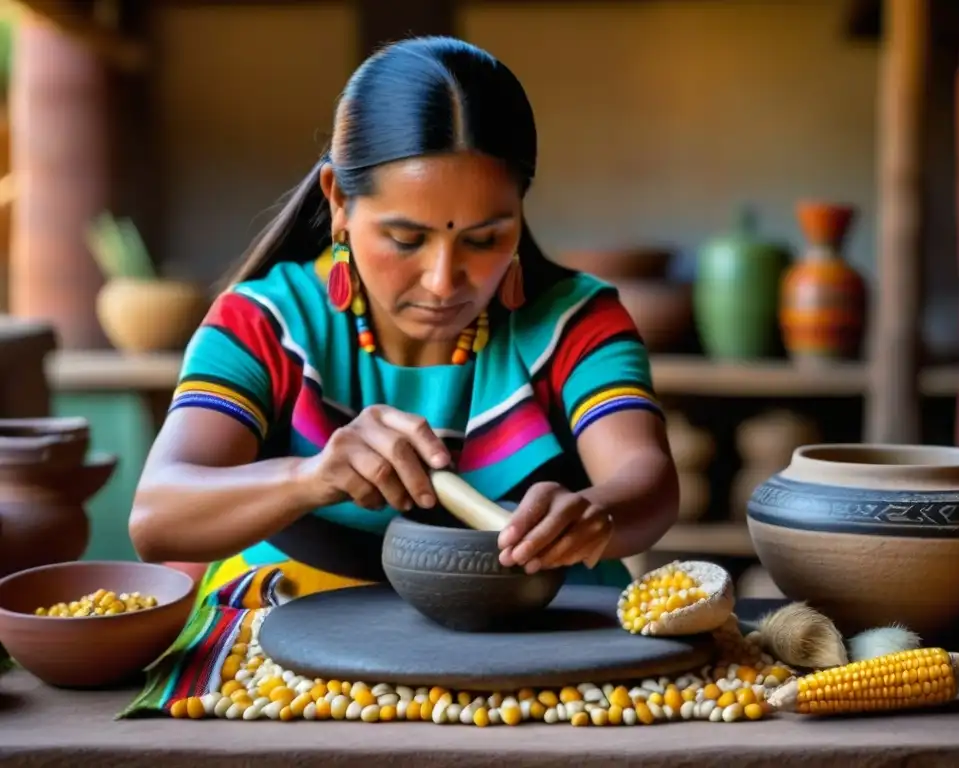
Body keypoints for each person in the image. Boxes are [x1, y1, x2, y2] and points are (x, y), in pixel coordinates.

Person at [128, 36, 679, 600]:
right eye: (405, 238)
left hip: (545, 625)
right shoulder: (266, 323)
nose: (443, 281)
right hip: (291, 621)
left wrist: (596, 513)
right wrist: (314, 476)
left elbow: (647, 481)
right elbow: (157, 515)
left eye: (485, 239)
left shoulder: (575, 322)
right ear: (339, 201)